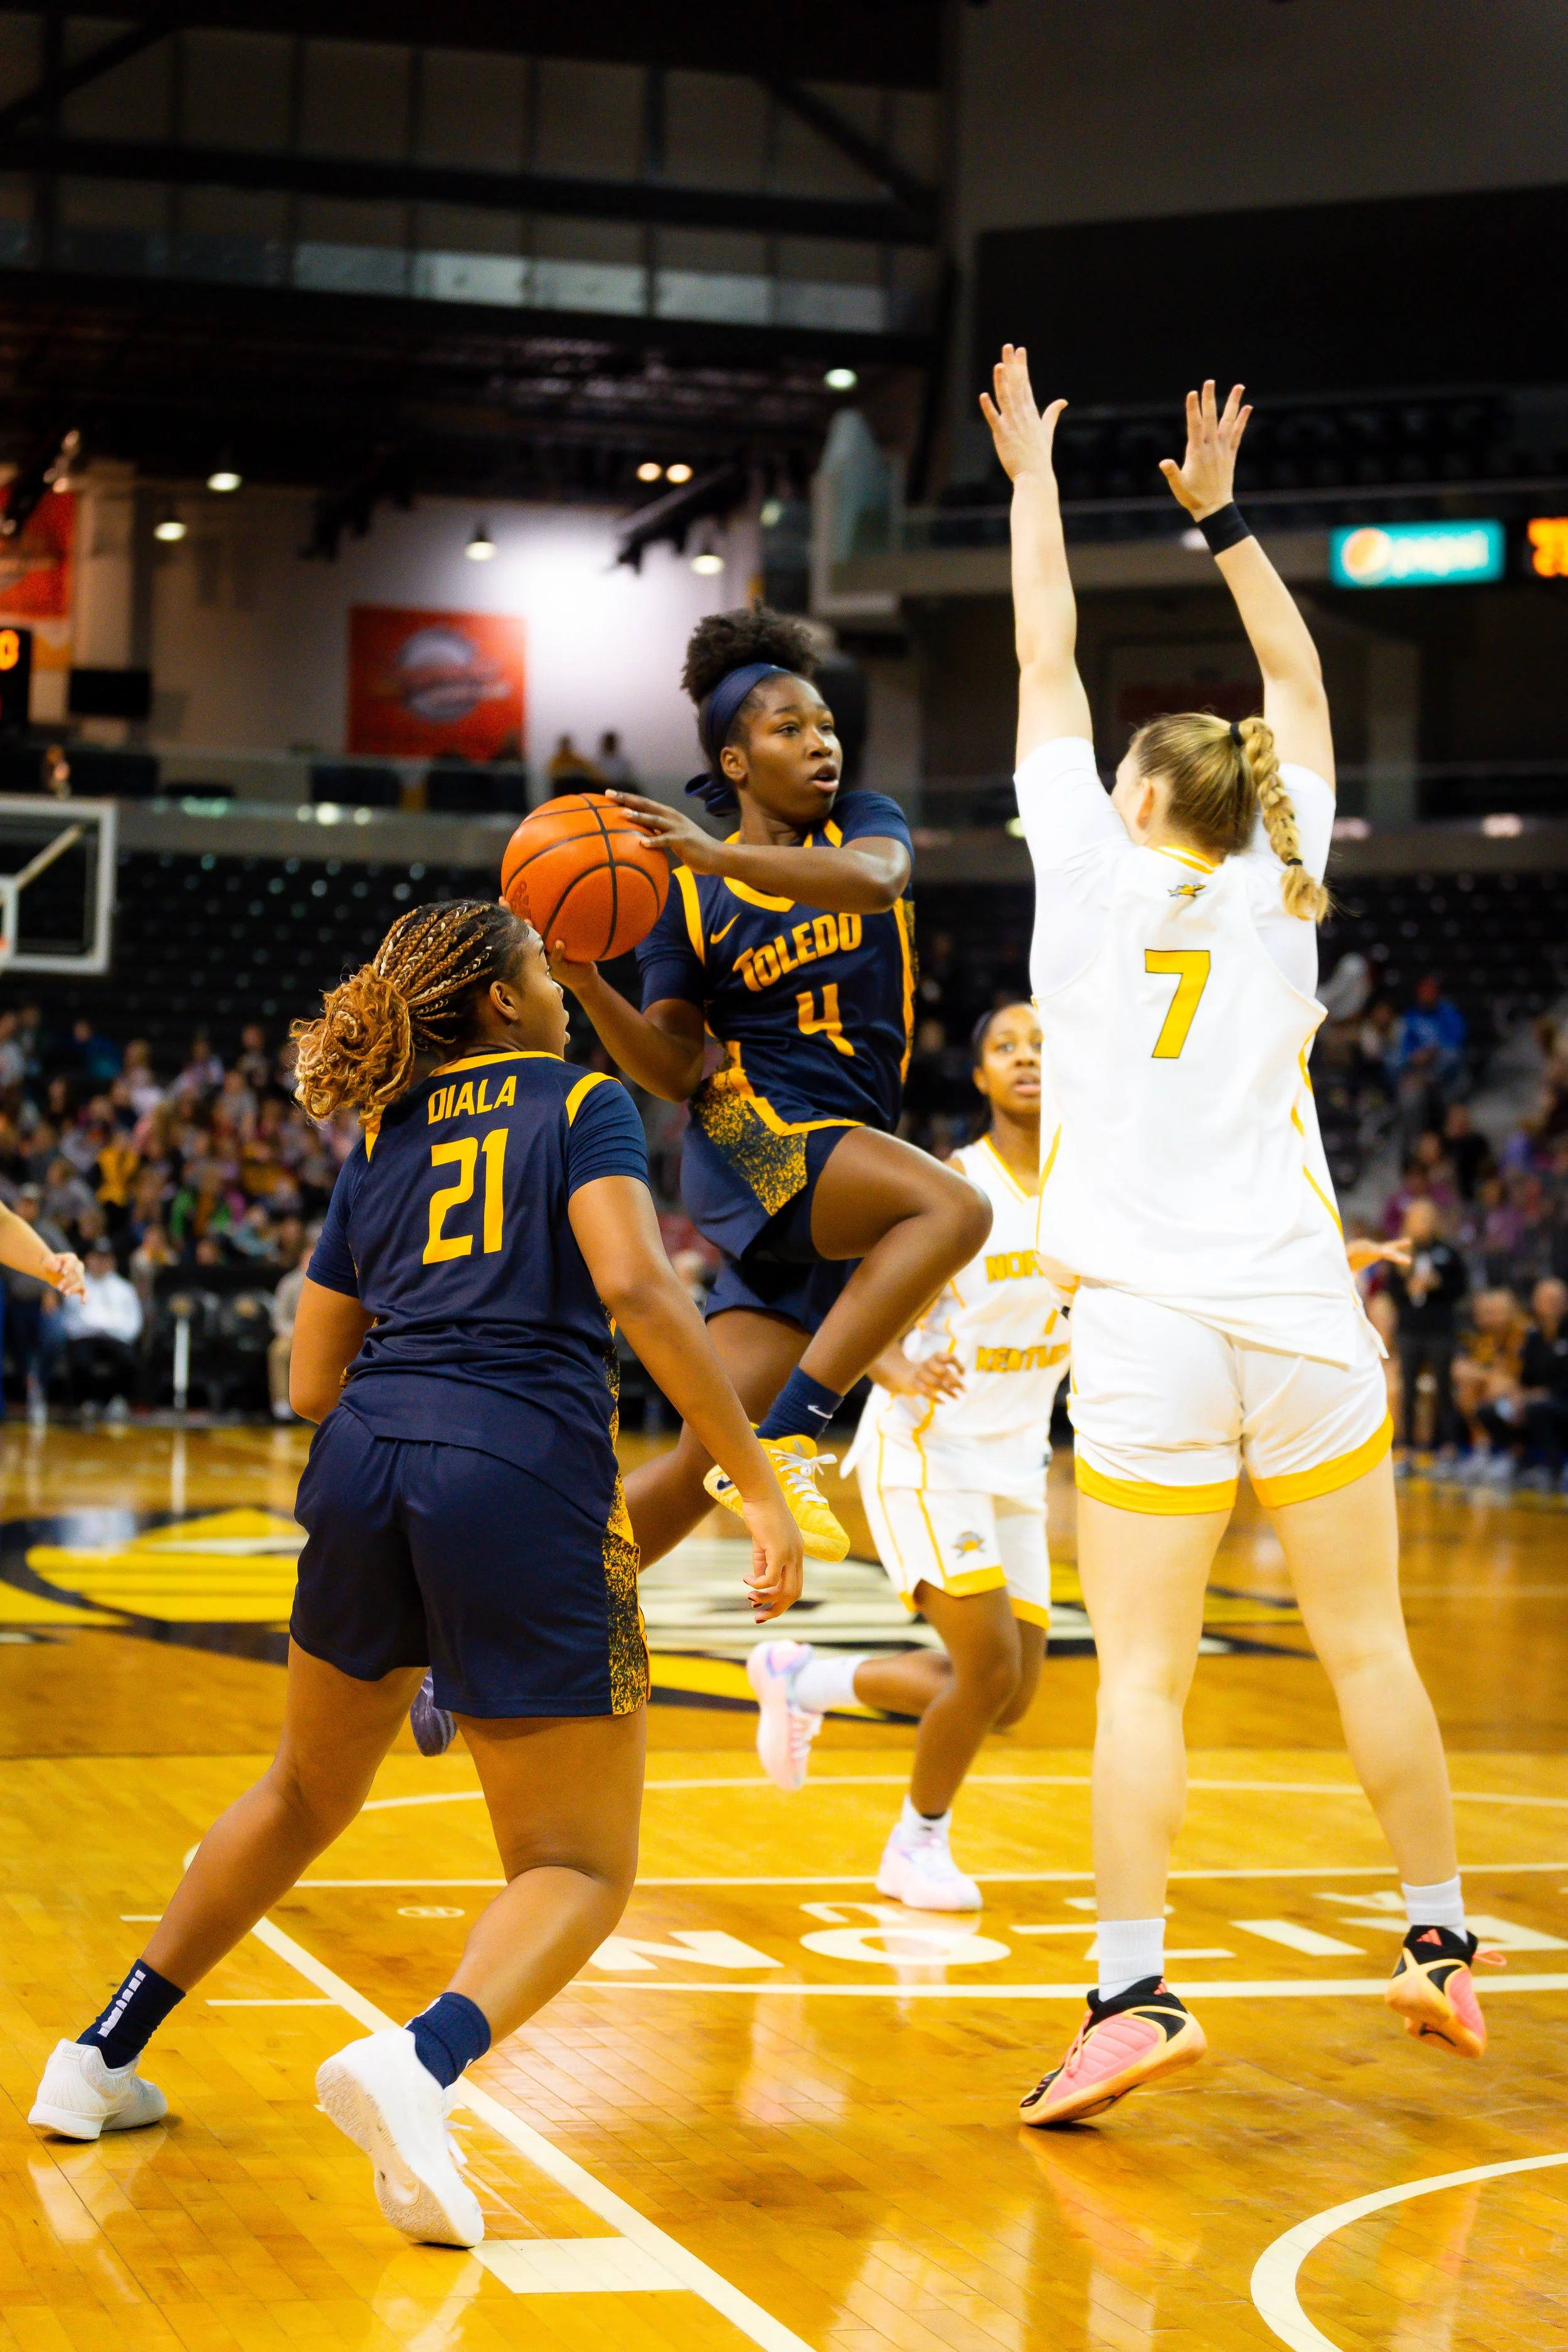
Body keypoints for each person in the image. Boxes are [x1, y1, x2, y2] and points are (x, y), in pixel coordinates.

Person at [29, 899, 803, 2255]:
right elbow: (636, 1283)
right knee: (575, 1865)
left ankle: (96, 2056)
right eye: (544, 973)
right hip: (517, 1470)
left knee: (300, 1791)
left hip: (366, 1459)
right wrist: (753, 1478)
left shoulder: (383, 1133)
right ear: (503, 1001)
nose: (568, 990)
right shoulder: (580, 1102)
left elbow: (308, 1377)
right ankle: (421, 2061)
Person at [983, 351, 1483, 2127]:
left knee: (1145, 1678)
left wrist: (1038, 479)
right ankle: (1436, 1944)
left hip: (1142, 1331)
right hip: (1294, 1316)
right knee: (1367, 1645)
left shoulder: (1080, 865)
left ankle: (1130, 1988)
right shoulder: (1284, 882)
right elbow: (1295, 669)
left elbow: (1043, 646)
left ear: (1129, 798)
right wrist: (1220, 521)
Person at [547, 608, 990, 1569]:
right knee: (954, 1208)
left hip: (839, 1153)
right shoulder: (686, 898)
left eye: (825, 724)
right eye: (789, 728)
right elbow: (670, 1065)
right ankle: (795, 1436)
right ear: (736, 763)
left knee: (700, 1466)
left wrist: (715, 853)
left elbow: (874, 887)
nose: (821, 742)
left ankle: (496, 1620)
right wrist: (586, 983)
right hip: (746, 1130)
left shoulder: (863, 826)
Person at [748, 1000, 1067, 1910]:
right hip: (928, 1452)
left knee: (1007, 1696)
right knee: (989, 1668)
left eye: (1042, 1044)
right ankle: (915, 1844)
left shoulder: (1092, 1190)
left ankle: (801, 1678)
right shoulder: (956, 1181)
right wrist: (895, 1362)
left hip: (1016, 1461)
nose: (1026, 1057)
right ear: (979, 1076)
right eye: (1005, 1044)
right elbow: (858, 1292)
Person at [1383, 1198, 1468, 1461]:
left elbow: (1461, 1288)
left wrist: (1438, 1284)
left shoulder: (1448, 1252)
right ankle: (1406, 1445)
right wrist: (1406, 1286)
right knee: (1407, 1387)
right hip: (1410, 1329)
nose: (1423, 1224)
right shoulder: (1401, 1253)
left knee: (1444, 1387)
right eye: (1418, 1219)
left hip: (1439, 1330)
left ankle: (1448, 1444)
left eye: (1427, 1218)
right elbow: (1391, 1290)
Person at [1479, 1276, 1568, 1486]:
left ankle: (1553, 1467)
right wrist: (1516, 1397)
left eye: (1556, 1299)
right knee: (1492, 1410)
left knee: (1537, 1409)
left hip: (1561, 1401)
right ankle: (1517, 1459)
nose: (1551, 1305)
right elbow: (1525, 1378)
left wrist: (1540, 1395)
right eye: (1545, 1299)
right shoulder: (1534, 1338)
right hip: (1534, 1401)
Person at [58, 1241, 143, 1419]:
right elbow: (68, 1319)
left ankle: (116, 1400)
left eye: (105, 1258)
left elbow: (135, 1322)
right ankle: (87, 1401)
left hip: (117, 1338)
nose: (100, 1263)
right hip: (85, 1336)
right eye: (96, 1258)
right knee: (81, 1361)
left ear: (113, 1262)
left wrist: (117, 1333)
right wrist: (87, 1330)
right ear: (88, 1260)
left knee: (128, 1360)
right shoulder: (76, 1285)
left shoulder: (125, 1289)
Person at [269, 1231, 314, 1423]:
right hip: (292, 1335)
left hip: (319, 1336)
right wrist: (295, 1332)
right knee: (278, 1351)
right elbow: (278, 1317)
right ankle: (282, 1405)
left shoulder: (327, 1285)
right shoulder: (289, 1283)